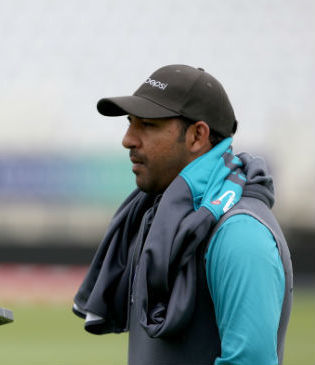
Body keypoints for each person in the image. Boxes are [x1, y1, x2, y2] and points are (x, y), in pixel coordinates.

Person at [73, 65, 293, 365]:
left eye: (147, 125)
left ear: (197, 135)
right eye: (130, 122)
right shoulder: (155, 218)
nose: (128, 139)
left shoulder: (240, 234)